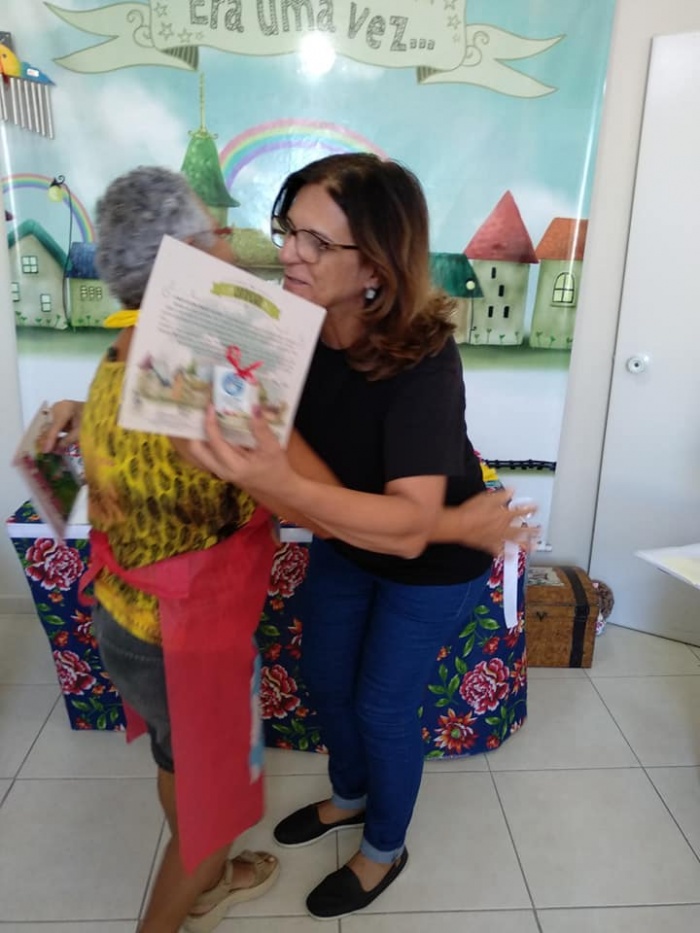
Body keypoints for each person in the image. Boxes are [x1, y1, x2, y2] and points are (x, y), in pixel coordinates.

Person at [186, 152, 536, 920]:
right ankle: (348, 796)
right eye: (288, 230)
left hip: (434, 566)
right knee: (325, 676)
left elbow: (406, 529)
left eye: (315, 241)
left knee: (382, 707)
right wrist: (261, 459)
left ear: (375, 265)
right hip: (350, 540)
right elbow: (310, 478)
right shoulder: (291, 329)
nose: (288, 252)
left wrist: (279, 482)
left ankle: (384, 846)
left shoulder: (423, 356)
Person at [61, 166, 288, 933]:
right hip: (183, 634)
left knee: (178, 760)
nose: (228, 247)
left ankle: (211, 878)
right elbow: (285, 493)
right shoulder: (194, 372)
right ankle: (182, 897)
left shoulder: (123, 353)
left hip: (122, 616)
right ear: (188, 256)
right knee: (213, 809)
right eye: (215, 234)